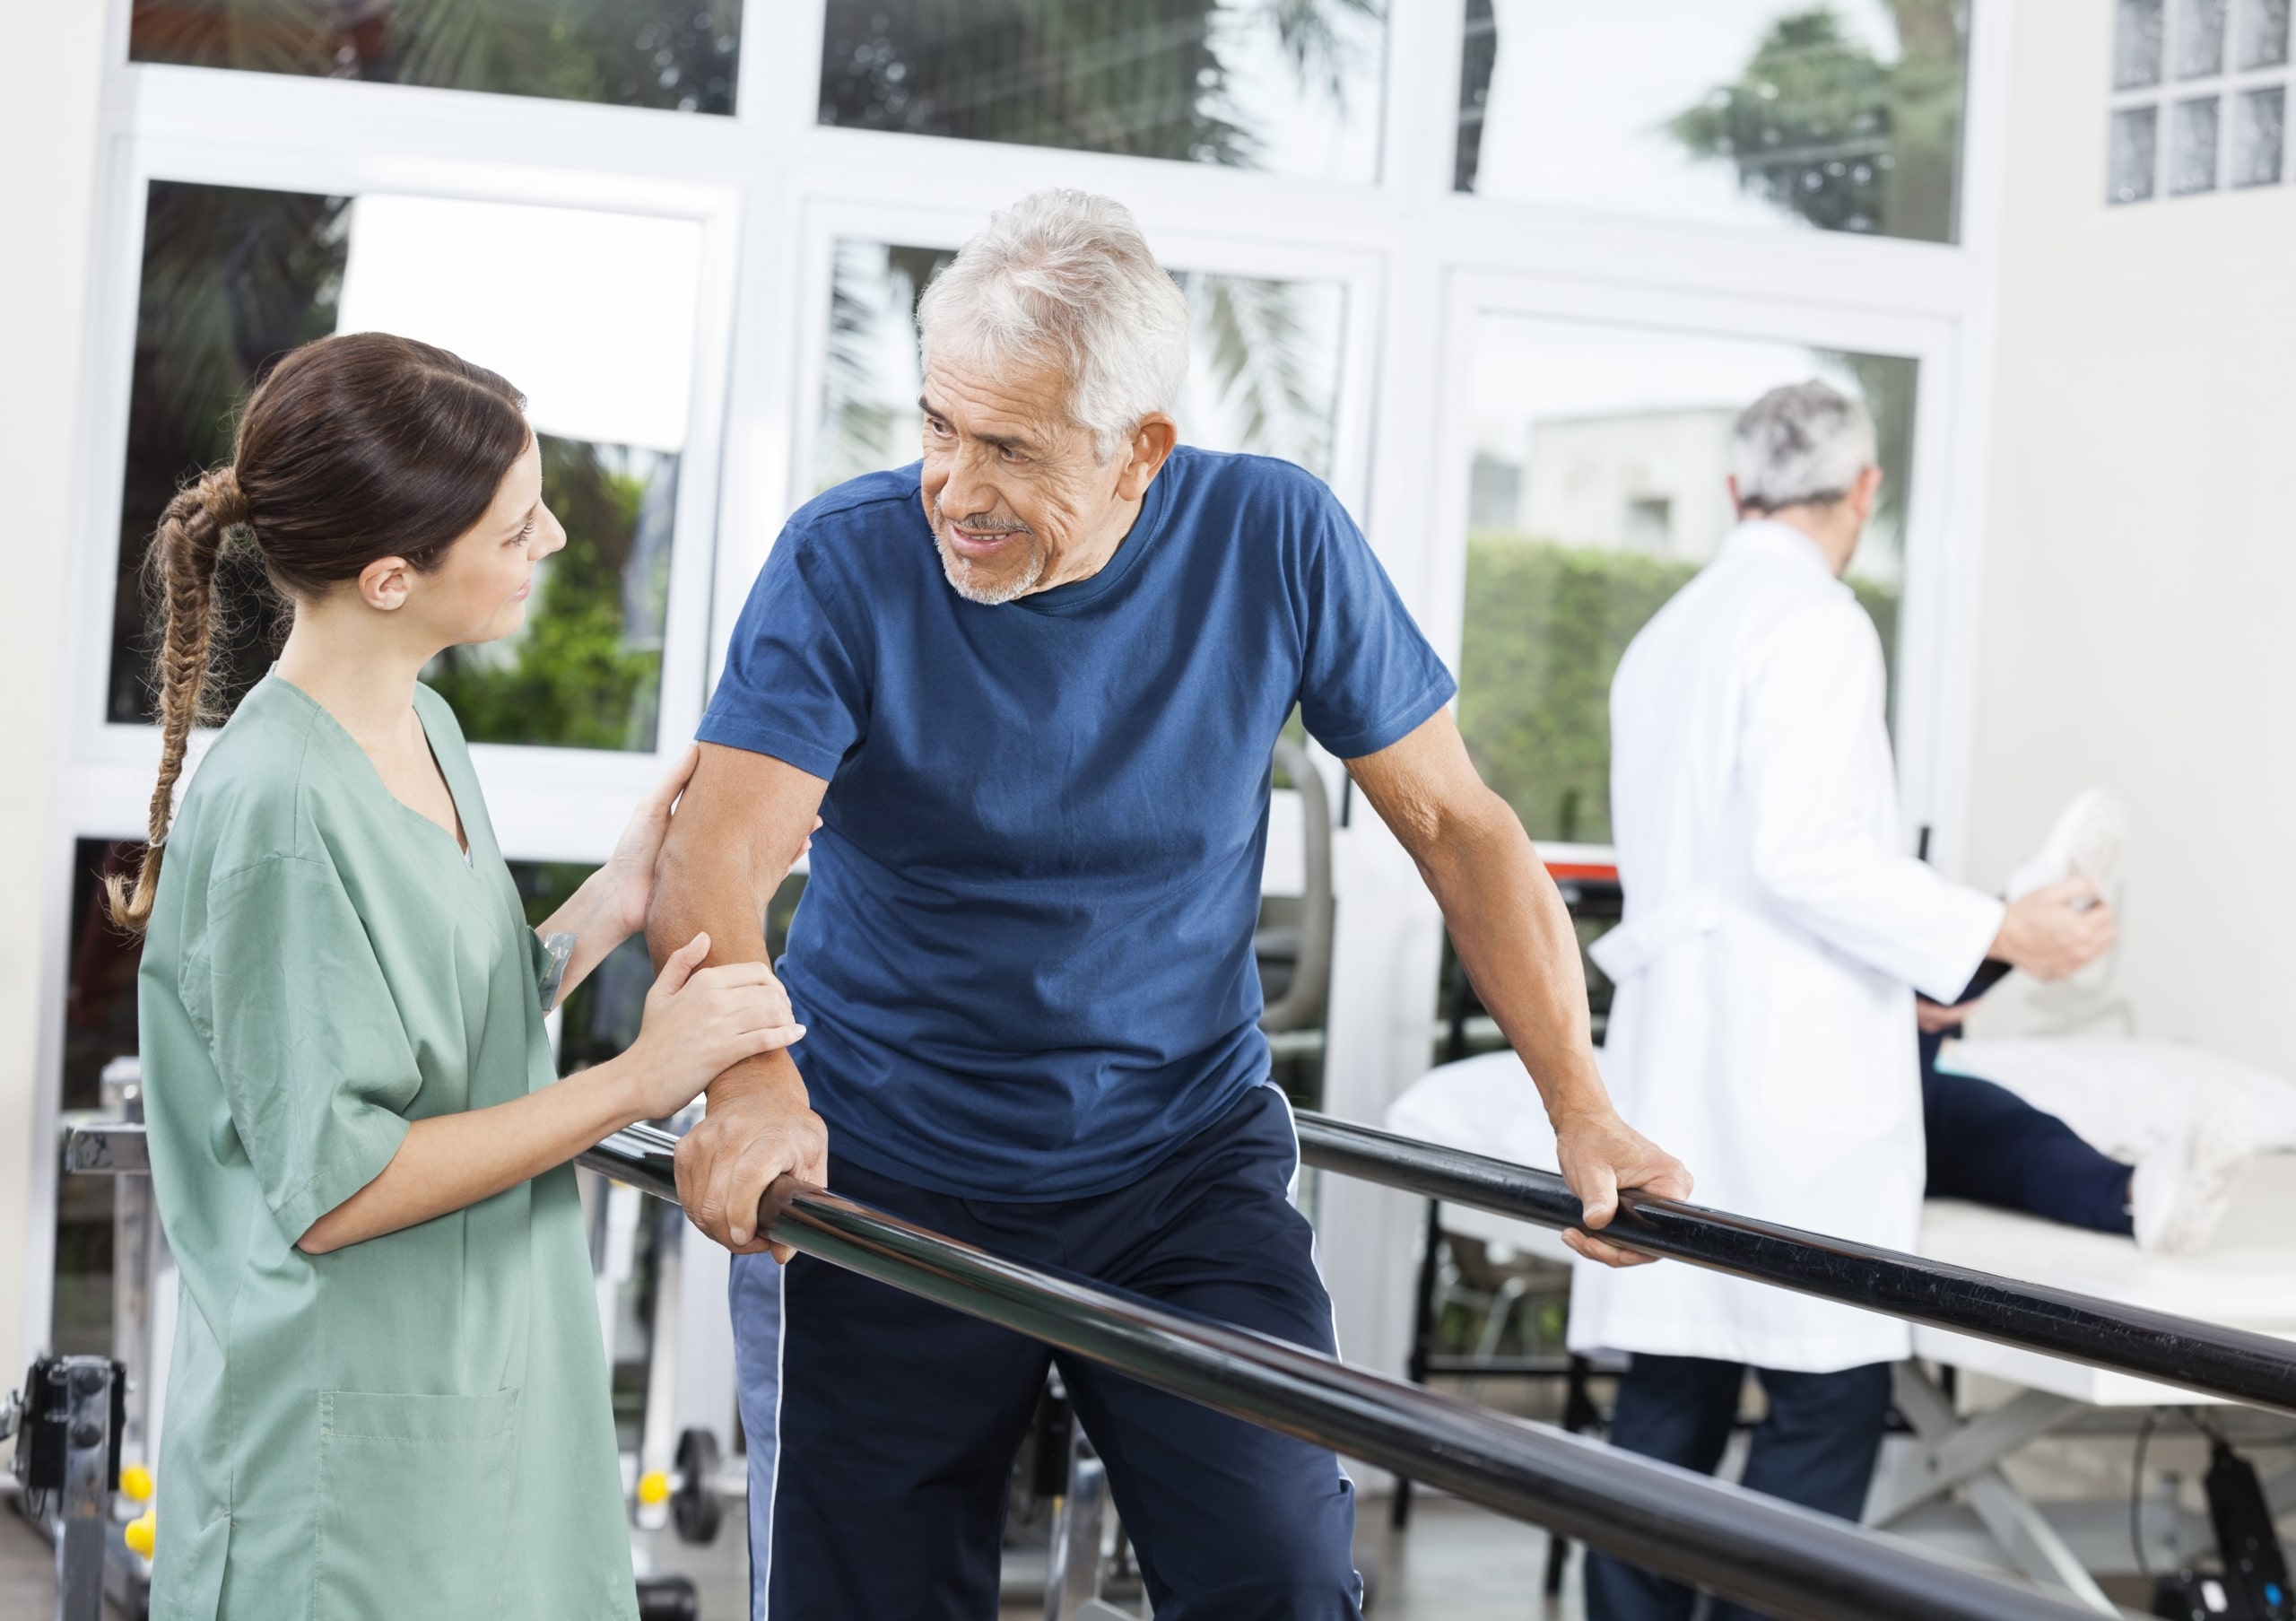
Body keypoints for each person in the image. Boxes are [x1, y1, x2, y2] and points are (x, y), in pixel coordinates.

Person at [646, 188, 1691, 1621]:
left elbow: (1457, 824)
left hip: (1177, 1178)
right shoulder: (848, 560)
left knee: (1278, 1576)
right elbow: (718, 857)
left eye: (1008, 446)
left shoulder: (1274, 539)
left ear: (1142, 451)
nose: (954, 486)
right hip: (882, 1169)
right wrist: (754, 1084)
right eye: (939, 426)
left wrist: (1579, 1099)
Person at [119, 333, 805, 1621]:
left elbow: (428, 1019)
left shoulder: (419, 723)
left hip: (481, 1387)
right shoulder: (278, 809)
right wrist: (638, 1082)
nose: (548, 542)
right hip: (343, 1450)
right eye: (514, 528)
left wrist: (605, 908)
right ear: (391, 577)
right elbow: (340, 1184)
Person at [1572, 380, 2118, 1621]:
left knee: (1672, 1394)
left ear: (1732, 490)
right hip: (1785, 1086)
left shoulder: (1673, 632)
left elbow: (1728, 869)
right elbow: (1806, 856)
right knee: (1825, 1398)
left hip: (1683, 1061)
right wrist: (2001, 929)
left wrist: (1915, 983)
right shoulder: (1815, 621)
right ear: (1866, 491)